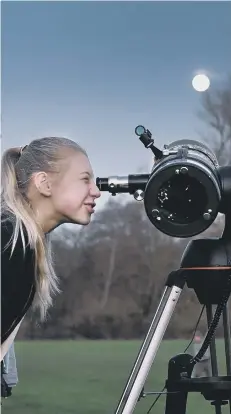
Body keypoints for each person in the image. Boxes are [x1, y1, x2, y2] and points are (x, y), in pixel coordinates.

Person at [1, 137, 101, 398]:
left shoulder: (20, 239)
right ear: (44, 183)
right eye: (85, 179)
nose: (96, 191)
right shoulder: (9, 242)